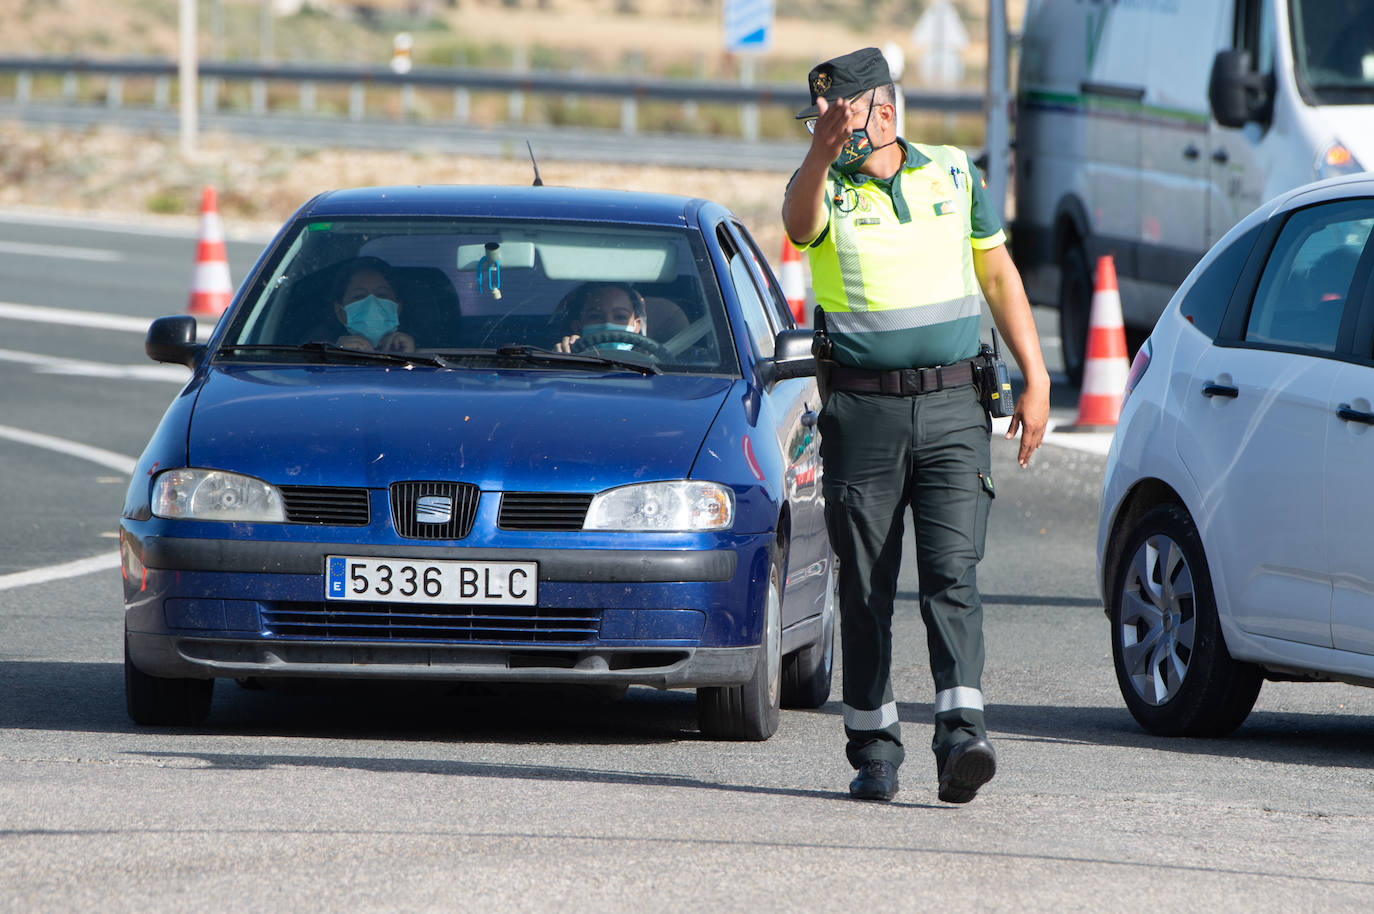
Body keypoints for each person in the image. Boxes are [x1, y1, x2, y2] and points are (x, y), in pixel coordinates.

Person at [781, 48, 1049, 804]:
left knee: (951, 574)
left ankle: (963, 737)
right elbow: (799, 229)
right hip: (862, 412)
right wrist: (819, 151)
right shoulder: (822, 184)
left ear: (885, 113)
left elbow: (999, 273)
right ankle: (874, 750)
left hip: (956, 407)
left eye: (842, 116)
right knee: (865, 585)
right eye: (821, 117)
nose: (832, 127)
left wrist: (1037, 375)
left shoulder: (955, 174)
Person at [328, 256, 415, 353]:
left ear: (398, 308)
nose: (372, 304)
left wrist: (410, 359)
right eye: (359, 296)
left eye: (382, 295)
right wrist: (336, 355)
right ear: (340, 312)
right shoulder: (315, 352)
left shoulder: (429, 349)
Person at [554, 282, 648, 353]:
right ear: (577, 327)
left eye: (620, 317)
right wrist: (562, 358)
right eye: (595, 317)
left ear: (637, 326)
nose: (608, 323)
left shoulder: (655, 368)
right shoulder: (568, 358)